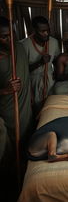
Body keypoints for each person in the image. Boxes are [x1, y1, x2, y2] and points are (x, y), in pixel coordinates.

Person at [0, 16, 33, 165]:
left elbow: (26, 71)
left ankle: (23, 167)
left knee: (25, 138)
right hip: (7, 109)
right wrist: (5, 90)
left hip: (24, 106)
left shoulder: (19, 47)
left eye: (11, 34)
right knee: (9, 146)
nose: (10, 39)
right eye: (4, 37)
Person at [20, 16, 60, 113]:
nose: (46, 33)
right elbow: (21, 71)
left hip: (50, 80)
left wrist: (57, 72)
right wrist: (40, 62)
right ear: (34, 30)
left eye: (47, 30)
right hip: (33, 83)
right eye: (42, 31)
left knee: (50, 109)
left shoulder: (54, 42)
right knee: (36, 110)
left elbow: (56, 60)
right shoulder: (23, 45)